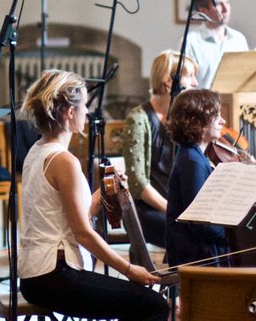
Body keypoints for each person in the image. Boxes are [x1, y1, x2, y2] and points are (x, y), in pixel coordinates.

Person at [17, 70, 167, 321]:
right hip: (56, 276)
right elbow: (83, 233)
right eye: (84, 105)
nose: (88, 112)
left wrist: (102, 192)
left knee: (140, 302)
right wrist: (129, 270)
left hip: (35, 275)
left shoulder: (37, 150)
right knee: (154, 305)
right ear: (69, 112)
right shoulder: (64, 161)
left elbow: (68, 218)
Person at [120, 50, 197, 247]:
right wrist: (173, 210)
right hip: (147, 210)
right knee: (189, 234)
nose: (196, 83)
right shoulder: (138, 119)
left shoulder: (183, 117)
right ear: (169, 82)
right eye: (190, 76)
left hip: (177, 208)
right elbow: (138, 183)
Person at [164, 88, 229, 267]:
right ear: (197, 122)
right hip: (197, 257)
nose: (222, 121)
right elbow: (200, 222)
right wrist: (231, 236)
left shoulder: (194, 156)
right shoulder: (192, 162)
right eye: (216, 116)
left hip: (200, 250)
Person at [183, 0, 249, 89]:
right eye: (219, 4)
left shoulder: (238, 39)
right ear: (203, 11)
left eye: (227, 2)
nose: (225, 9)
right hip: (203, 104)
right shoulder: (191, 41)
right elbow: (186, 82)